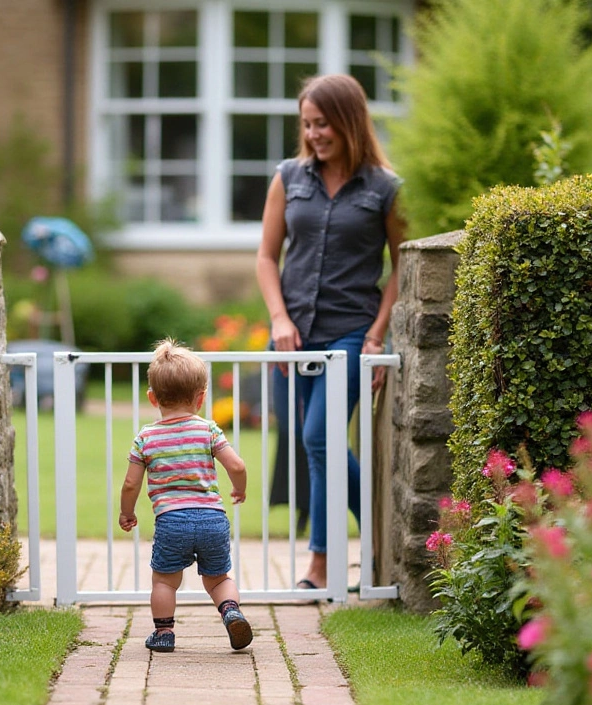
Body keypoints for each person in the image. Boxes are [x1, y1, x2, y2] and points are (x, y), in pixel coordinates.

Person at [255, 73, 405, 592]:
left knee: (319, 437)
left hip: (349, 333)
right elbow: (266, 257)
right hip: (291, 333)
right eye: (307, 124)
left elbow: (404, 267)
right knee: (310, 444)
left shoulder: (385, 189)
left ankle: (326, 562)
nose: (314, 134)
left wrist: (378, 333)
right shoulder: (288, 177)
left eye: (323, 124)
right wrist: (278, 319)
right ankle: (367, 544)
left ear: (349, 121)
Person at [119, 338, 252, 652]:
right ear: (201, 398)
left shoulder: (145, 438)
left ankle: (164, 634)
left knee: (165, 581)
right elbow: (237, 464)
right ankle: (231, 610)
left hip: (172, 521)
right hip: (212, 519)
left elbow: (130, 484)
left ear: (153, 398)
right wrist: (239, 488)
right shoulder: (207, 430)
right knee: (218, 579)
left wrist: (127, 512)